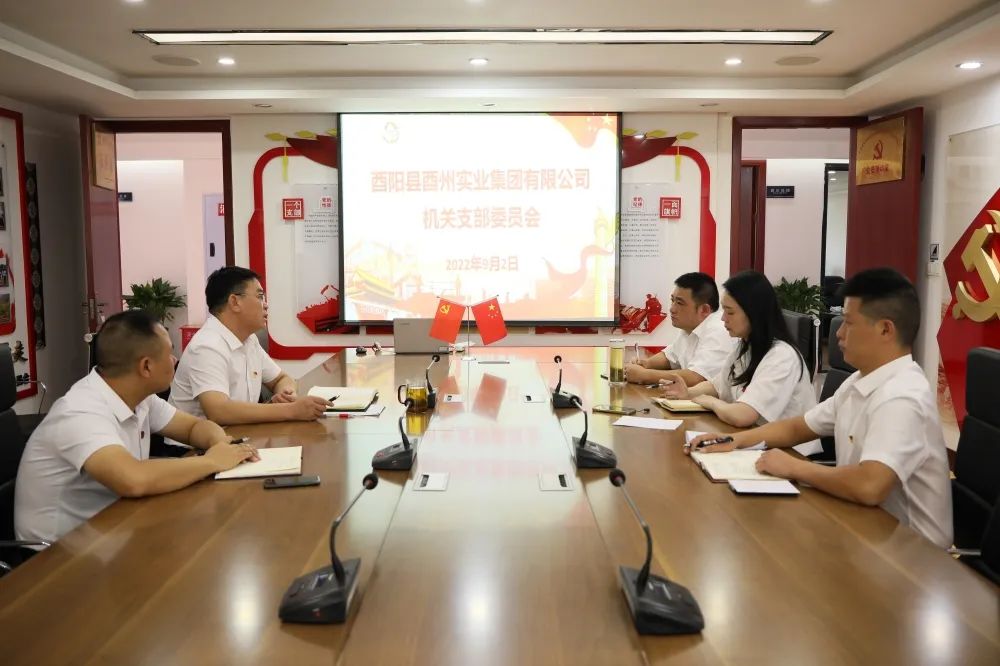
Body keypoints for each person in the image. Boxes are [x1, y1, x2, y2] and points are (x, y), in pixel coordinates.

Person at [689, 268, 952, 548]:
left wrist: (794, 467)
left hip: (912, 553)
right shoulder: (860, 381)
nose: (838, 334)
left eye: (848, 323)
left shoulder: (902, 396)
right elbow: (797, 427)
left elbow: (869, 485)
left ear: (885, 329)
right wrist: (732, 441)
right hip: (864, 529)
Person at [15, 311, 258, 547]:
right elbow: (132, 479)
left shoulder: (140, 397)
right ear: (146, 367)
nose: (175, 360)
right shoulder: (81, 412)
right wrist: (213, 461)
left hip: (112, 528)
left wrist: (219, 443)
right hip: (55, 555)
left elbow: (193, 427)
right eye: (170, 353)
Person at [662, 270, 821, 456]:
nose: (723, 318)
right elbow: (717, 386)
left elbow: (743, 415)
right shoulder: (745, 346)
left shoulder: (782, 356)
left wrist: (710, 402)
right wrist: (688, 393)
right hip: (756, 444)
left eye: (730, 312)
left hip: (792, 455)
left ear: (754, 313)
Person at [170, 266, 329, 424]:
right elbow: (218, 411)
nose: (266, 304)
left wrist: (286, 394)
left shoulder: (249, 340)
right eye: (260, 297)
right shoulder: (207, 346)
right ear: (235, 302)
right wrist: (292, 410)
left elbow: (281, 378)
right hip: (198, 440)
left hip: (238, 433)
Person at [625, 272, 735, 386]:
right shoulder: (689, 327)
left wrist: (644, 375)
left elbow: (696, 377)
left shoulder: (720, 330)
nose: (672, 309)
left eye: (679, 303)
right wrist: (646, 363)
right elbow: (670, 357)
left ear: (704, 310)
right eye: (672, 300)